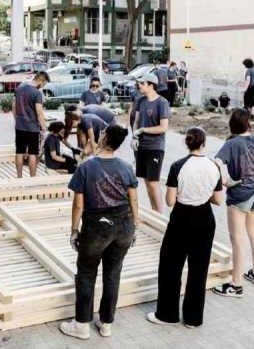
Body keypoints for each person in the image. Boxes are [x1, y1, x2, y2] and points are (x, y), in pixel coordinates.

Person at [60, 125, 139, 340]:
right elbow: (133, 200)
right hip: (123, 225)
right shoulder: (126, 167)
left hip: (96, 227)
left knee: (86, 273)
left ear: (104, 138)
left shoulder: (86, 167)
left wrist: (74, 230)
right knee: (113, 274)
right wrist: (134, 227)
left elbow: (78, 204)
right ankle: (106, 324)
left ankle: (81, 325)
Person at [148, 127, 222, 329]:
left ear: (186, 143)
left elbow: (170, 201)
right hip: (205, 218)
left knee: (170, 266)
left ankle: (167, 314)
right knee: (199, 269)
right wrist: (203, 193)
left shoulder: (178, 166)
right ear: (204, 144)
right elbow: (218, 200)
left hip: (181, 218)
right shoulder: (214, 166)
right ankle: (193, 318)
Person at [213, 108, 254, 297]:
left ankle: (236, 285)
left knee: (237, 240)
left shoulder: (231, 144)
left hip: (239, 195)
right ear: (248, 123)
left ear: (232, 124)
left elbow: (216, 163)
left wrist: (225, 181)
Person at [133, 72, 170, 213]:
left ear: (151, 85)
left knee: (153, 182)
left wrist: (143, 130)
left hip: (155, 147)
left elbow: (163, 127)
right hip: (141, 146)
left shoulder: (162, 102)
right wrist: (134, 136)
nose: (139, 86)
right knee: (146, 181)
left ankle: (159, 215)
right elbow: (136, 122)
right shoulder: (140, 101)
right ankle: (154, 212)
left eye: (142, 83)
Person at [13, 71, 50, 178]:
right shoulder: (37, 93)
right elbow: (39, 113)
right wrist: (44, 128)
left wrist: (17, 120)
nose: (42, 87)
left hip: (19, 126)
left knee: (19, 151)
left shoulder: (19, 89)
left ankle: (19, 177)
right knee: (32, 153)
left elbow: (14, 107)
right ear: (41, 80)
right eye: (44, 84)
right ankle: (32, 178)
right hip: (32, 127)